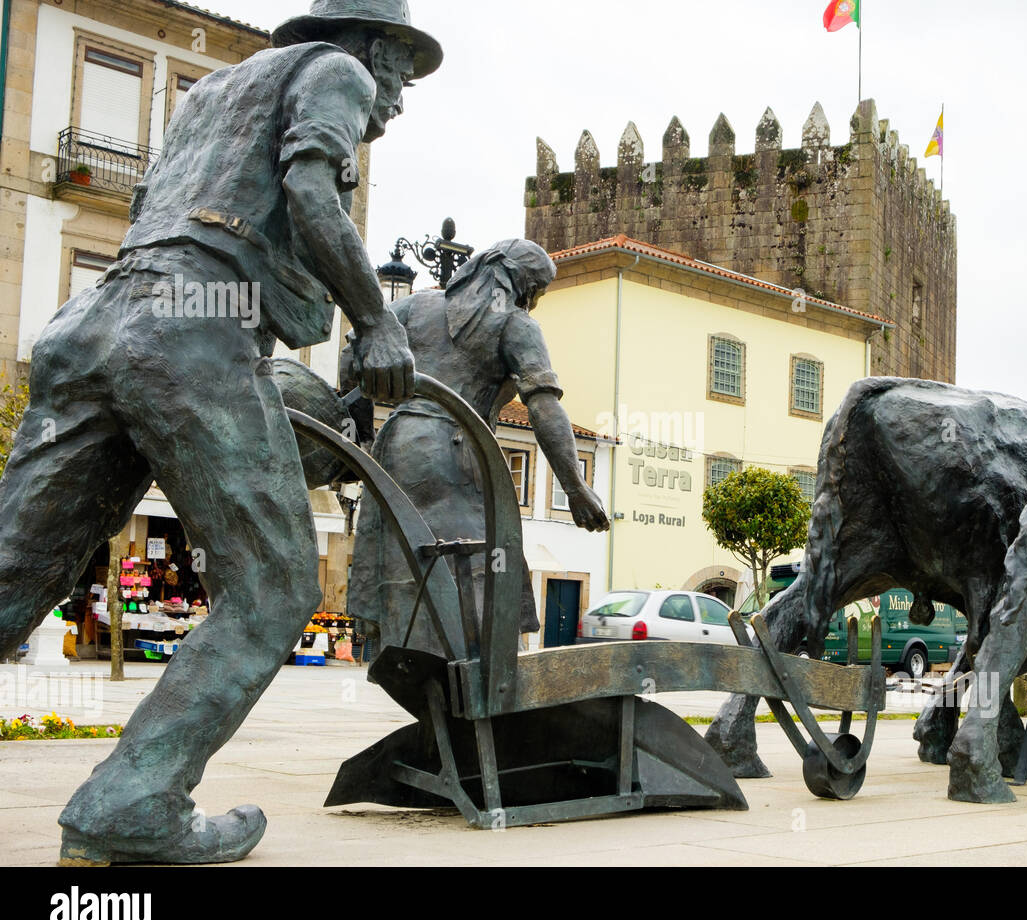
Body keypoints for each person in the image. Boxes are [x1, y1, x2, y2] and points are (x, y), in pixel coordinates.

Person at [0, 0, 438, 864]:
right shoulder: (338, 72)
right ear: (372, 47)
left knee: (15, 568)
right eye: (404, 73)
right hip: (194, 325)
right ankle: (133, 800)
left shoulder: (211, 95)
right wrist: (375, 321)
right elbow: (312, 190)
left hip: (92, 320)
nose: (398, 100)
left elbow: (154, 208)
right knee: (273, 586)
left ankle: (131, 799)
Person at [348, 239, 609, 657]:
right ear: (521, 284)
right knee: (482, 560)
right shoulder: (516, 325)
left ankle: (409, 656)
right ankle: (472, 666)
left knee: (407, 559)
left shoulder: (416, 306)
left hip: (396, 446)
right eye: (536, 290)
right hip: (458, 450)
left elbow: (353, 357)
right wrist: (575, 487)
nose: (535, 301)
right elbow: (543, 406)